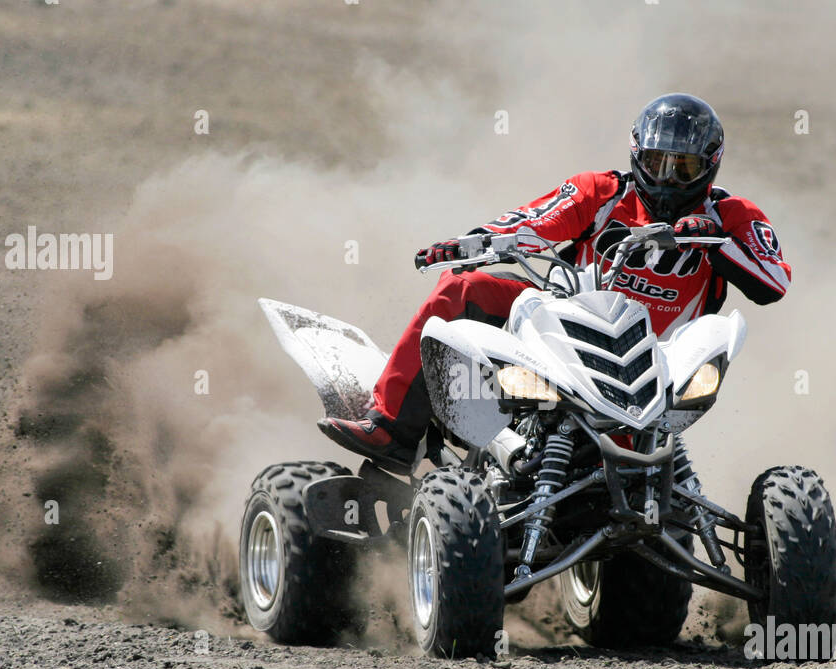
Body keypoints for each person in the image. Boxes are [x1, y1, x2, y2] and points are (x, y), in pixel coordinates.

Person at [321, 93, 792, 470]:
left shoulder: (732, 216)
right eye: (655, 162)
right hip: (568, 334)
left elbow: (773, 282)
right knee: (461, 289)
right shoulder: (603, 193)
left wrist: (714, 239)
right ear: (635, 156)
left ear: (710, 166)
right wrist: (472, 241)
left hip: (661, 365)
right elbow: (533, 222)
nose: (667, 180)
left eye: (683, 168)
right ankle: (391, 427)